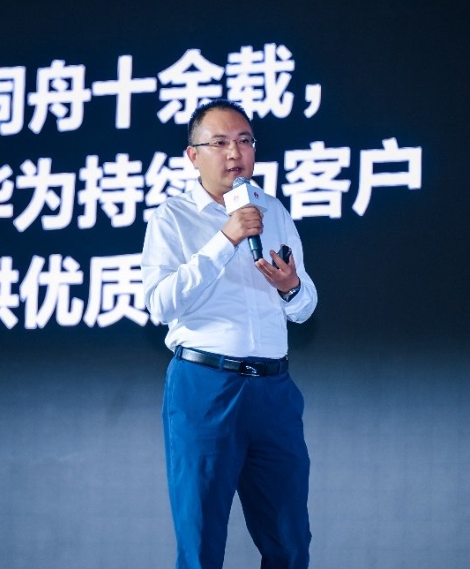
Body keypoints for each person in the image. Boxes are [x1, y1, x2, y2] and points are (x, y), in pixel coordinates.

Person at [141, 99, 318, 569]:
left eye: (244, 141)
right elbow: (160, 303)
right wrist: (226, 239)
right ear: (193, 155)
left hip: (273, 392)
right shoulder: (172, 217)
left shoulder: (273, 211)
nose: (235, 152)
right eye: (219, 142)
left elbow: (304, 308)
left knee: (290, 540)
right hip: (205, 386)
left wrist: (290, 286)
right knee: (201, 542)